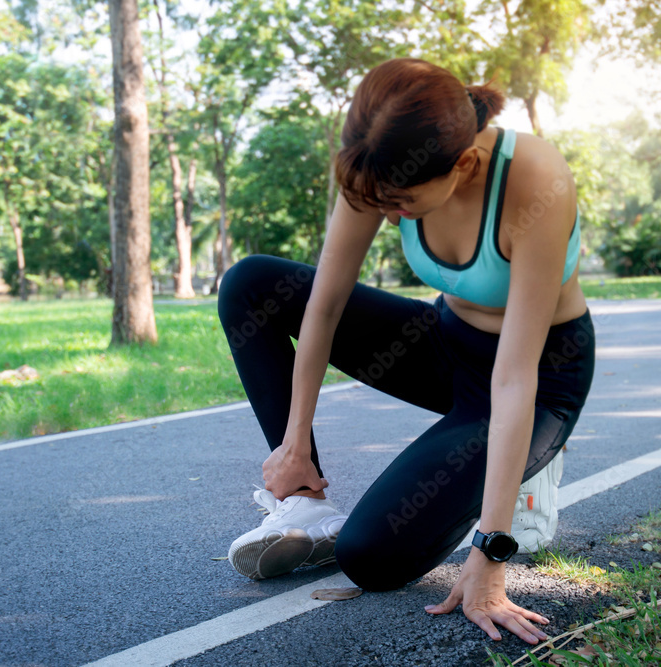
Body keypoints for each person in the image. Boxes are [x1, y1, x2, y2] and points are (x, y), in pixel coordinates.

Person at [217, 57, 595, 646]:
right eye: (378, 201)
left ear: (464, 163)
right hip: (447, 343)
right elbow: (323, 306)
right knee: (251, 286)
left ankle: (522, 466)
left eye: (402, 204)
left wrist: (490, 556)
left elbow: (515, 377)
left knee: (372, 560)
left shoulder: (533, 179)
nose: (387, 214)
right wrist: (294, 445)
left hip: (538, 375)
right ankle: (306, 506)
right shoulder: (376, 166)